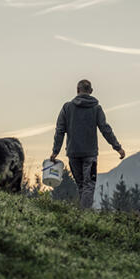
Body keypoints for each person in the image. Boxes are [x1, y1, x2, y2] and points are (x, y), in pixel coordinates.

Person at [50, 79, 125, 208]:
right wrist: (117, 147)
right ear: (91, 91)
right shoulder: (96, 108)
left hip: (73, 153)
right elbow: (105, 129)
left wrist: (55, 151)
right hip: (90, 154)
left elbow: (60, 130)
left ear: (77, 90)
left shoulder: (67, 107)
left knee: (81, 184)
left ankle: (82, 214)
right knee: (89, 185)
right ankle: (85, 214)